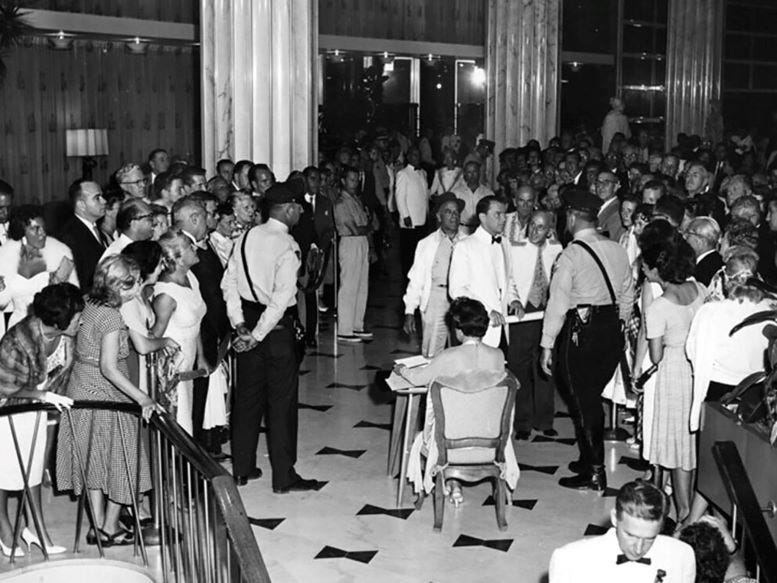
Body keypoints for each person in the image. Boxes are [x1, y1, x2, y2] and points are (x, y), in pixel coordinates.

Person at [56, 255, 160, 547]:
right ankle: (110, 527)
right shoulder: (113, 316)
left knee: (93, 459)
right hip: (107, 393)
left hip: (81, 386)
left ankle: (98, 526)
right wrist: (142, 397)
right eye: (135, 282)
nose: (140, 286)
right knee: (123, 458)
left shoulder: (89, 302)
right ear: (122, 287)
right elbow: (109, 367)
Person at [221, 183, 320, 492]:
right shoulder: (287, 245)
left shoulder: (246, 236)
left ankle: (242, 468)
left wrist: (240, 325)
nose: (301, 212)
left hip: (247, 324)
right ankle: (283, 476)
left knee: (247, 399)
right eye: (299, 207)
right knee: (281, 403)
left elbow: (229, 283)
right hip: (274, 332)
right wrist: (259, 335)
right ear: (288, 209)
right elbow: (281, 299)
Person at [540, 189, 634, 491]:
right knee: (591, 397)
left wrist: (547, 343)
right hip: (610, 331)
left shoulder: (571, 254)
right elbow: (627, 294)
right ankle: (587, 457)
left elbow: (557, 303)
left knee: (583, 402)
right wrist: (617, 323)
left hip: (580, 331)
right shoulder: (618, 249)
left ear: (570, 217)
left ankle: (595, 471)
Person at [397, 297, 518, 505]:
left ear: (458, 330)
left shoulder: (448, 356)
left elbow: (418, 379)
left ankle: (451, 483)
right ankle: (455, 484)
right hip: (492, 443)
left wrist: (401, 369)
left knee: (428, 431)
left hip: (450, 444)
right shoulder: (498, 356)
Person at [0, 283, 82, 556]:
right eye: (77, 316)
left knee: (33, 471)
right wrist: (42, 394)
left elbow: (62, 378)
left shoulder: (67, 338)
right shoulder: (17, 340)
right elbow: (4, 388)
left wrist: (48, 403)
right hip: (6, 412)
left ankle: (34, 527)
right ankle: (4, 529)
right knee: (5, 475)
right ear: (60, 321)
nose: (81, 320)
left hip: (37, 411)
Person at [639, 233, 707, 524]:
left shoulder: (659, 307)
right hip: (699, 370)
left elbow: (656, 356)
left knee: (676, 446)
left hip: (674, 371)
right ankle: (687, 510)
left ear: (657, 270)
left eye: (645, 266)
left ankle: (683, 514)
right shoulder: (700, 289)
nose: (642, 269)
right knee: (688, 442)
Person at [549, 480, 696, 582]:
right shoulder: (570, 561)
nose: (638, 549)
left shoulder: (682, 555)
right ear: (614, 518)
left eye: (650, 538)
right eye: (630, 535)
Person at [173, 197, 231, 455]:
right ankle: (193, 455)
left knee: (200, 399)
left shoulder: (199, 247)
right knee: (190, 404)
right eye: (208, 215)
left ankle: (203, 447)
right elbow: (207, 296)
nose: (211, 221)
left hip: (204, 335)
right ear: (196, 218)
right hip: (193, 335)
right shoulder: (180, 248)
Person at [506, 210, 562, 439]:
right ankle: (522, 423)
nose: (534, 231)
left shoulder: (557, 250)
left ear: (550, 230)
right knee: (519, 366)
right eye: (532, 226)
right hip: (523, 314)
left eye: (541, 227)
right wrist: (515, 300)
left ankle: (544, 419)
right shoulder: (515, 249)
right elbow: (508, 279)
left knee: (546, 367)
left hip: (548, 313)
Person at [150, 230, 206, 434]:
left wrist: (201, 356)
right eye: (190, 247)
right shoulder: (166, 295)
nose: (196, 248)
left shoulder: (190, 277)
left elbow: (195, 322)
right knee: (179, 424)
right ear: (177, 257)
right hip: (173, 369)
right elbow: (153, 337)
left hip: (190, 362)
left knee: (187, 419)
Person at [449, 195, 521, 349]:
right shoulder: (465, 246)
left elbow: (509, 279)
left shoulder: (505, 243)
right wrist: (487, 311)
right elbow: (457, 290)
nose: (503, 219)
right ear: (482, 217)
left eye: (504, 214)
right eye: (498, 214)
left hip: (503, 326)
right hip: (478, 329)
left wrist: (514, 300)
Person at [402, 193, 467, 358]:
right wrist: (410, 310)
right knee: (432, 351)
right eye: (448, 212)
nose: (454, 216)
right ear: (439, 216)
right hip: (436, 297)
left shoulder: (468, 242)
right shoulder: (427, 244)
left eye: (456, 212)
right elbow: (416, 279)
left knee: (461, 351)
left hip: (462, 299)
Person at [0, 205, 79, 328]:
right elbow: (2, 305)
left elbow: (72, 300)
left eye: (43, 228)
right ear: (22, 232)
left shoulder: (59, 256)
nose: (43, 233)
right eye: (36, 229)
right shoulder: (6, 259)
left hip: (49, 326)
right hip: (18, 326)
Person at [291, 166, 335, 348]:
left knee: (310, 294)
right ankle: (297, 330)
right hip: (295, 254)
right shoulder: (297, 204)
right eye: (311, 179)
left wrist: (319, 248)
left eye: (318, 179)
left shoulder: (323, 203)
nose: (315, 183)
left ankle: (310, 333)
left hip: (313, 254)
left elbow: (326, 228)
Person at [333, 167, 373, 343]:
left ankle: (357, 324)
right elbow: (356, 228)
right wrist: (367, 227)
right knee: (349, 286)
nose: (355, 183)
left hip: (361, 242)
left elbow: (370, 225)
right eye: (351, 180)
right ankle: (345, 328)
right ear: (343, 181)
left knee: (362, 285)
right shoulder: (341, 203)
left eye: (357, 180)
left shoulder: (356, 200)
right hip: (350, 243)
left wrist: (367, 228)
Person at [58, 179, 108, 290]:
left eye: (102, 196)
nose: (104, 201)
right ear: (81, 204)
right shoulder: (70, 236)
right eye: (97, 198)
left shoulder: (95, 228)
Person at [395, 147, 430, 276]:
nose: (417, 158)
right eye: (414, 155)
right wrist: (405, 215)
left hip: (422, 219)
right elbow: (400, 197)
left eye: (419, 155)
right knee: (408, 255)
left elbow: (425, 195)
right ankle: (407, 283)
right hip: (410, 222)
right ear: (408, 157)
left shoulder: (423, 173)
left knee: (420, 254)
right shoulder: (403, 174)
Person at [451, 161, 494, 232]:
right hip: (462, 230)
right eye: (469, 172)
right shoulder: (457, 192)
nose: (472, 175)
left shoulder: (488, 193)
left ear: (479, 173)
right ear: (465, 174)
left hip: (481, 230)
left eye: (475, 172)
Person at [685, 217, 723, 287]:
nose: (685, 237)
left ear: (701, 241)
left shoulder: (703, 271)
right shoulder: (717, 260)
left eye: (688, 234)